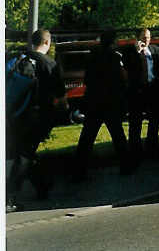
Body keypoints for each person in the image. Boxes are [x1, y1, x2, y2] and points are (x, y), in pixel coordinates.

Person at [6, 29, 66, 212]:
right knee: (24, 156)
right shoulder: (49, 64)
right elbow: (61, 97)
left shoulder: (19, 58)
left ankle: (42, 186)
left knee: (25, 152)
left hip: (15, 114)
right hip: (36, 117)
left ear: (32, 42)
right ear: (47, 43)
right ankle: (8, 198)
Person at [73, 30, 132, 180]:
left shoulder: (92, 57)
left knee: (87, 137)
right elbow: (121, 80)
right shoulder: (115, 57)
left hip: (94, 101)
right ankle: (126, 166)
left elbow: (87, 80)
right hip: (111, 102)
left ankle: (79, 170)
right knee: (118, 135)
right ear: (112, 42)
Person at [125, 28, 159, 163]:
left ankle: (152, 147)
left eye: (148, 37)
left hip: (152, 89)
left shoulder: (155, 50)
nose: (146, 40)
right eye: (143, 38)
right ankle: (135, 151)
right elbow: (128, 66)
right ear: (137, 38)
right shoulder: (130, 51)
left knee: (154, 120)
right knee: (136, 122)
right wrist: (137, 52)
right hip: (138, 91)